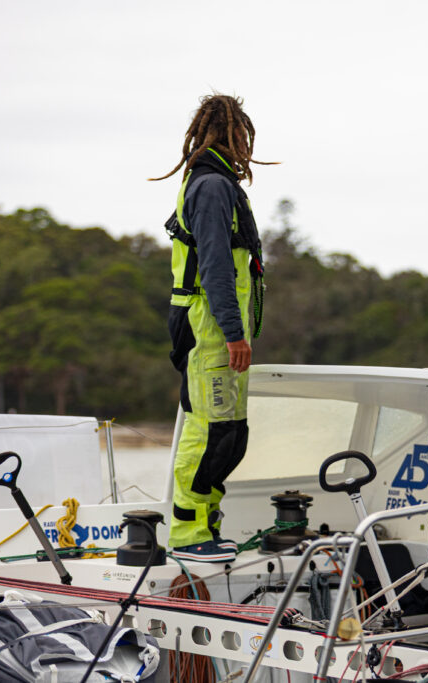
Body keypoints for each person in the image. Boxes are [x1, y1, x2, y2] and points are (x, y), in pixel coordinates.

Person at [150, 94, 275, 562]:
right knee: (209, 431)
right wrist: (233, 332)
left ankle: (208, 524)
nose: (246, 147)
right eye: (242, 136)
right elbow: (216, 266)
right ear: (231, 134)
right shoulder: (211, 187)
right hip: (208, 328)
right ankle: (187, 534)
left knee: (231, 435)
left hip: (219, 328)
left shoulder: (220, 184)